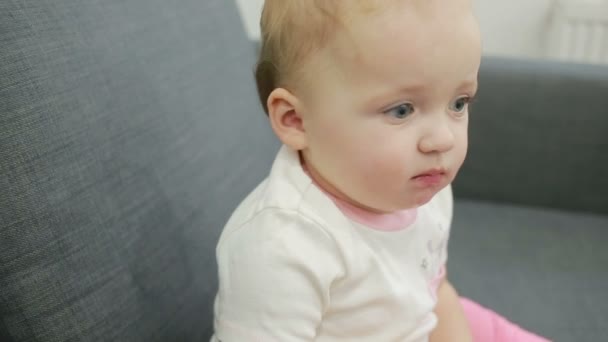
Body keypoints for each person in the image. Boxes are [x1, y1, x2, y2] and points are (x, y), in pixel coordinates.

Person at [212, 1, 550, 341]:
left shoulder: (424, 188)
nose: (443, 139)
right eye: (402, 110)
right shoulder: (281, 249)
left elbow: (435, 294)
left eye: (458, 103)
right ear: (296, 120)